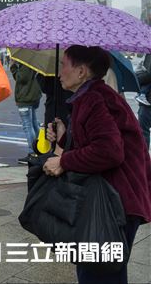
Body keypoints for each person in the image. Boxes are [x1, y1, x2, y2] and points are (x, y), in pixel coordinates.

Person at [42, 46, 151, 284]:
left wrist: (64, 160)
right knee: (104, 272)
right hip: (117, 199)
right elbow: (96, 140)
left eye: (64, 65)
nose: (59, 72)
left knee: (97, 274)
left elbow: (109, 151)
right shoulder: (93, 95)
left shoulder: (93, 99)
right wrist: (63, 136)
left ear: (81, 72)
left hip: (115, 203)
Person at [10, 62, 42, 164]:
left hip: (26, 97)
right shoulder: (33, 60)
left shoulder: (25, 63)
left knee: (27, 126)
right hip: (33, 96)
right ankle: (40, 149)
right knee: (33, 123)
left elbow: (21, 78)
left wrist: (13, 67)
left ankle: (33, 153)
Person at [134, 53, 151, 148]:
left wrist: (136, 78)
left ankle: (145, 160)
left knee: (143, 131)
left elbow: (148, 74)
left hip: (148, 103)